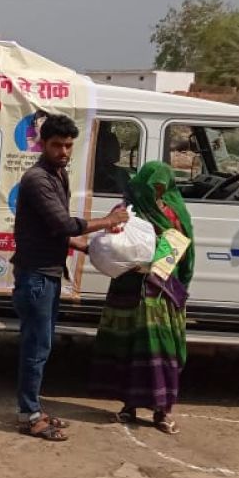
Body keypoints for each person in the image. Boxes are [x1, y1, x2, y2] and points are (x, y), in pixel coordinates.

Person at [11, 113, 128, 441]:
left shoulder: (58, 175)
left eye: (68, 146)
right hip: (36, 276)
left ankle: (33, 408)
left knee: (42, 346)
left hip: (47, 274)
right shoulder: (37, 179)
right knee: (36, 347)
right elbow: (63, 224)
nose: (63, 151)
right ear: (43, 144)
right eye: (57, 145)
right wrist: (107, 222)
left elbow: (54, 231)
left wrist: (87, 248)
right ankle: (29, 415)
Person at [91, 161, 194, 435]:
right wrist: (123, 250)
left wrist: (158, 258)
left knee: (160, 350)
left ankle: (162, 411)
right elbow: (110, 241)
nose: (156, 193)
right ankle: (129, 406)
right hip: (127, 289)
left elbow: (183, 249)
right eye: (152, 187)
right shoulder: (125, 211)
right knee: (127, 348)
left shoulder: (174, 212)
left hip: (160, 292)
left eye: (161, 187)